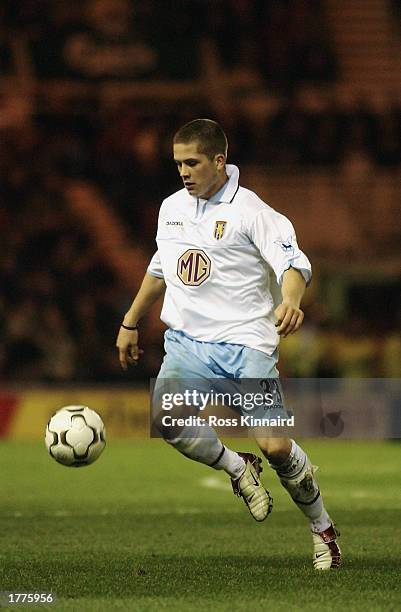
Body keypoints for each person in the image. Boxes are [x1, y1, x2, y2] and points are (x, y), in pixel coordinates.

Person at [116, 119, 341, 570]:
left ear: (219, 161)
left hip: (246, 345)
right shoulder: (172, 208)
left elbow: (292, 263)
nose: (183, 171)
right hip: (188, 343)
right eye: (178, 163)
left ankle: (323, 530)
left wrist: (292, 300)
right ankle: (238, 468)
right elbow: (162, 265)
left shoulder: (252, 212)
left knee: (277, 447)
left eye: (192, 162)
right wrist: (131, 320)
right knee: (168, 421)